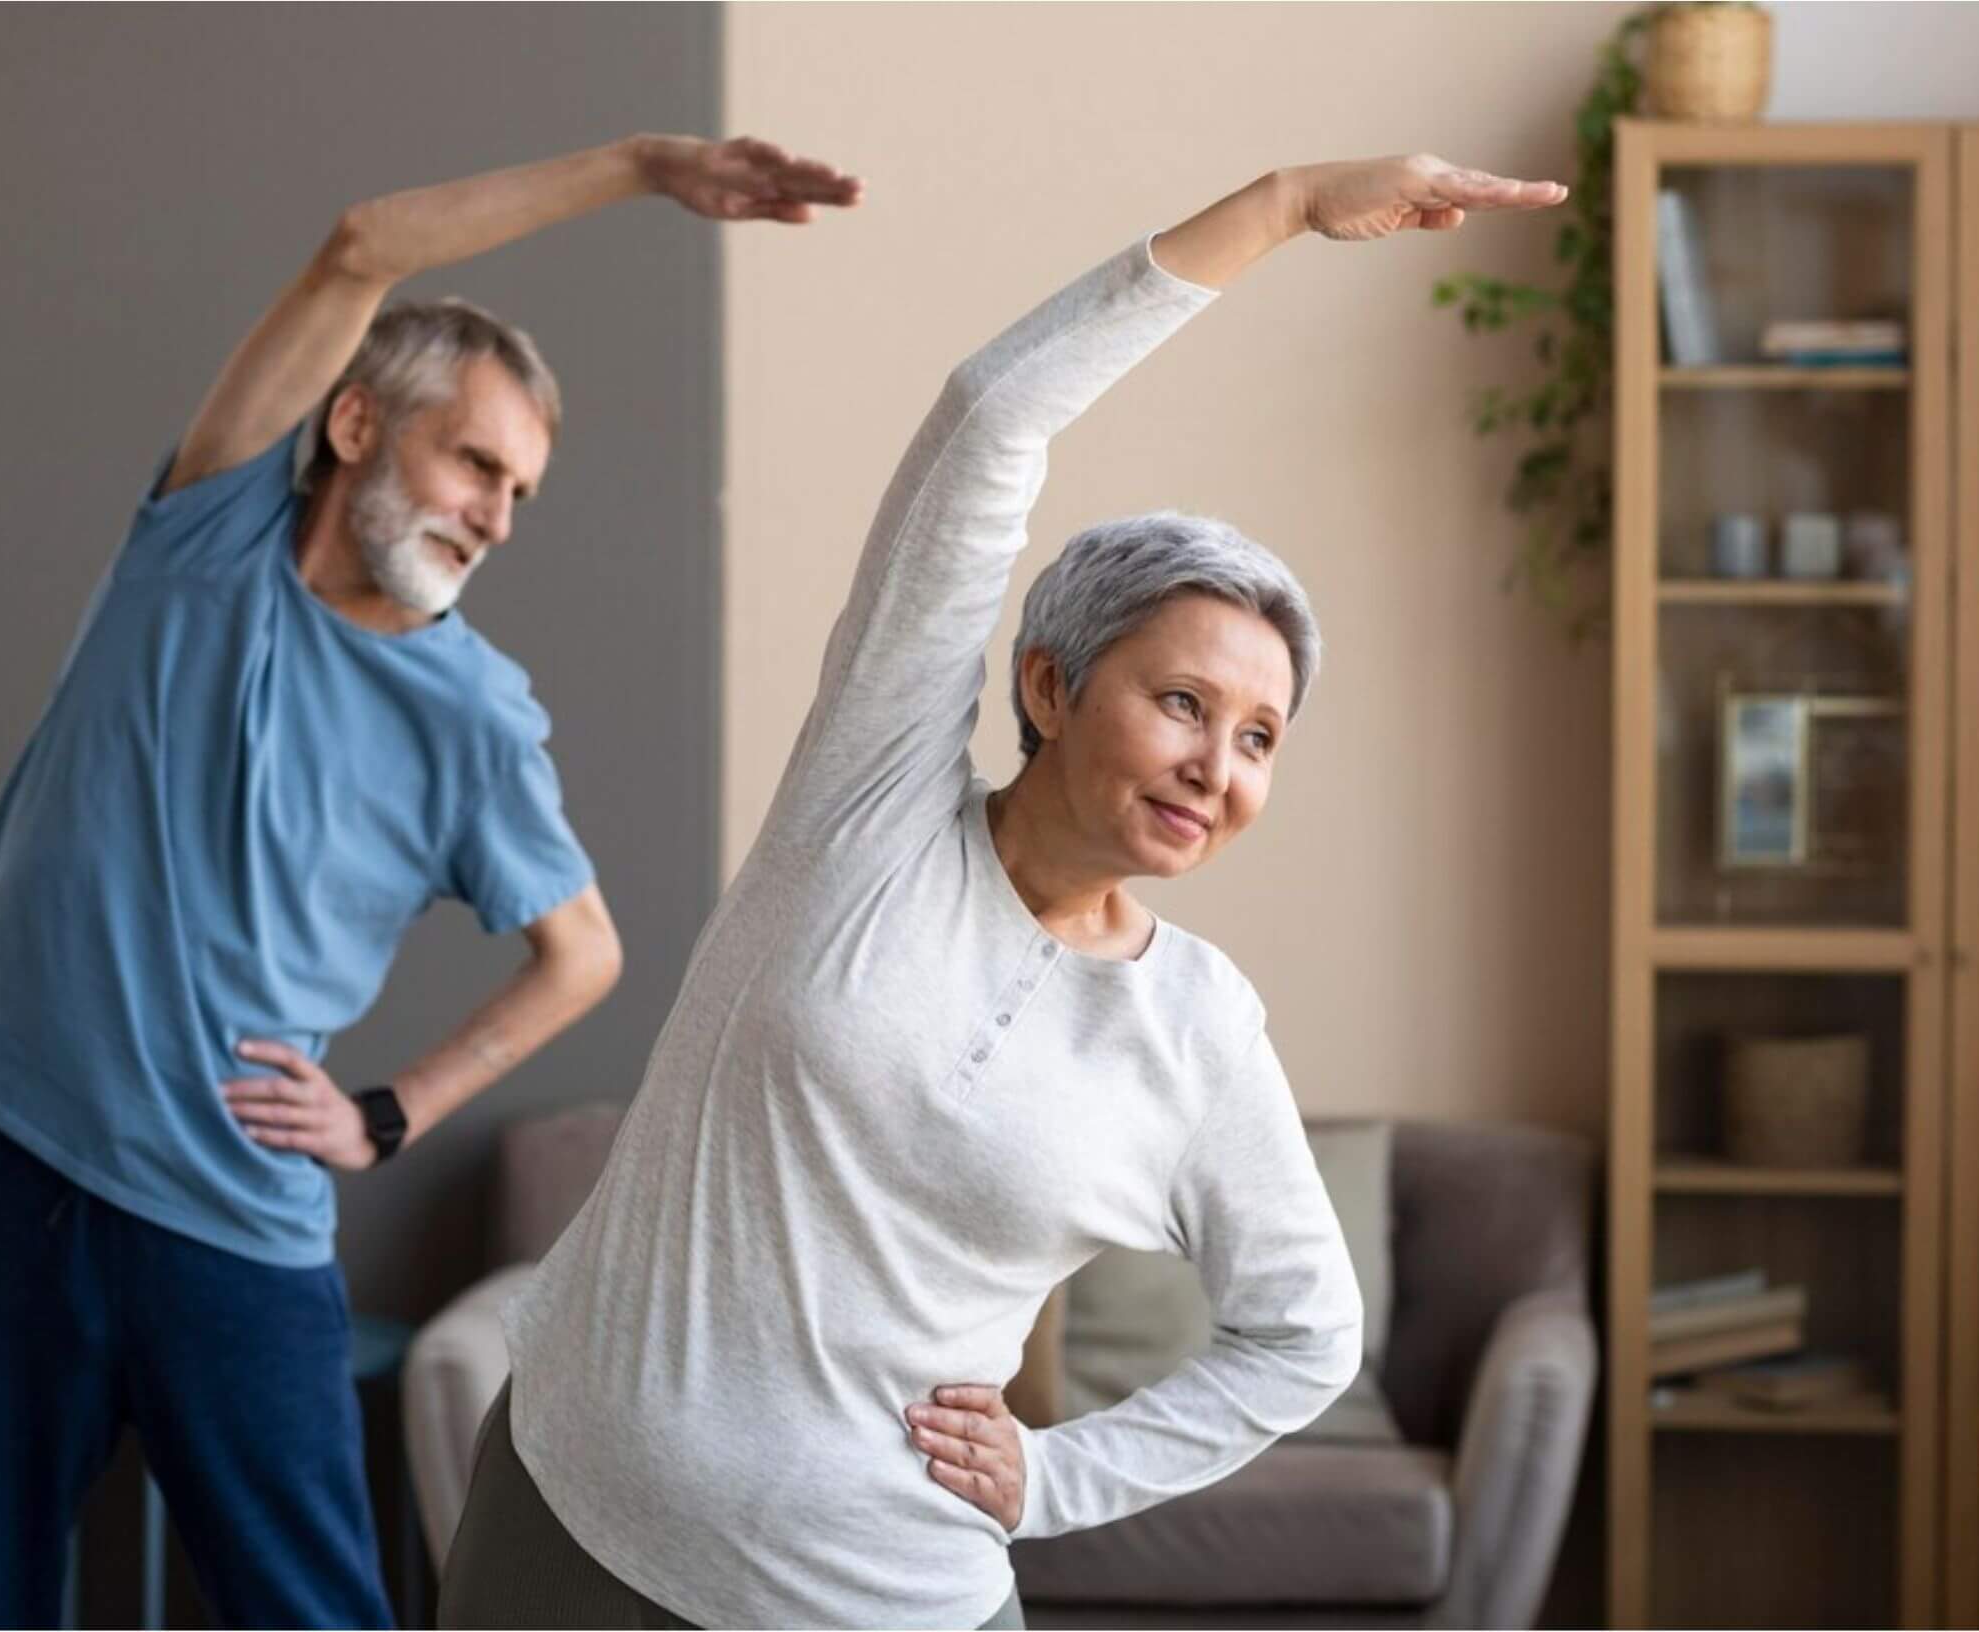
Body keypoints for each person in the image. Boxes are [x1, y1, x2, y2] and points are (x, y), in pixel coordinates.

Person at [436, 152, 1568, 1630]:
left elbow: (1304, 1335)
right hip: (571, 1532)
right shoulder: (871, 811)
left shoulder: (1197, 1029)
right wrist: (1284, 208)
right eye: (1181, 701)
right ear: (1048, 681)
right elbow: (993, 413)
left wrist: (1059, 1477)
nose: (1214, 765)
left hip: (886, 1598)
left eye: (1260, 738)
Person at [0, 134, 862, 1628]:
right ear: (354, 421)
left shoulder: (474, 715)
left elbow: (584, 952)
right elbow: (363, 245)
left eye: (521, 493)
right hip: (6, 1160)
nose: (494, 515)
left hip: (227, 1222)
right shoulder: (202, 535)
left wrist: (387, 1112)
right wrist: (648, 170)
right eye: (476, 462)